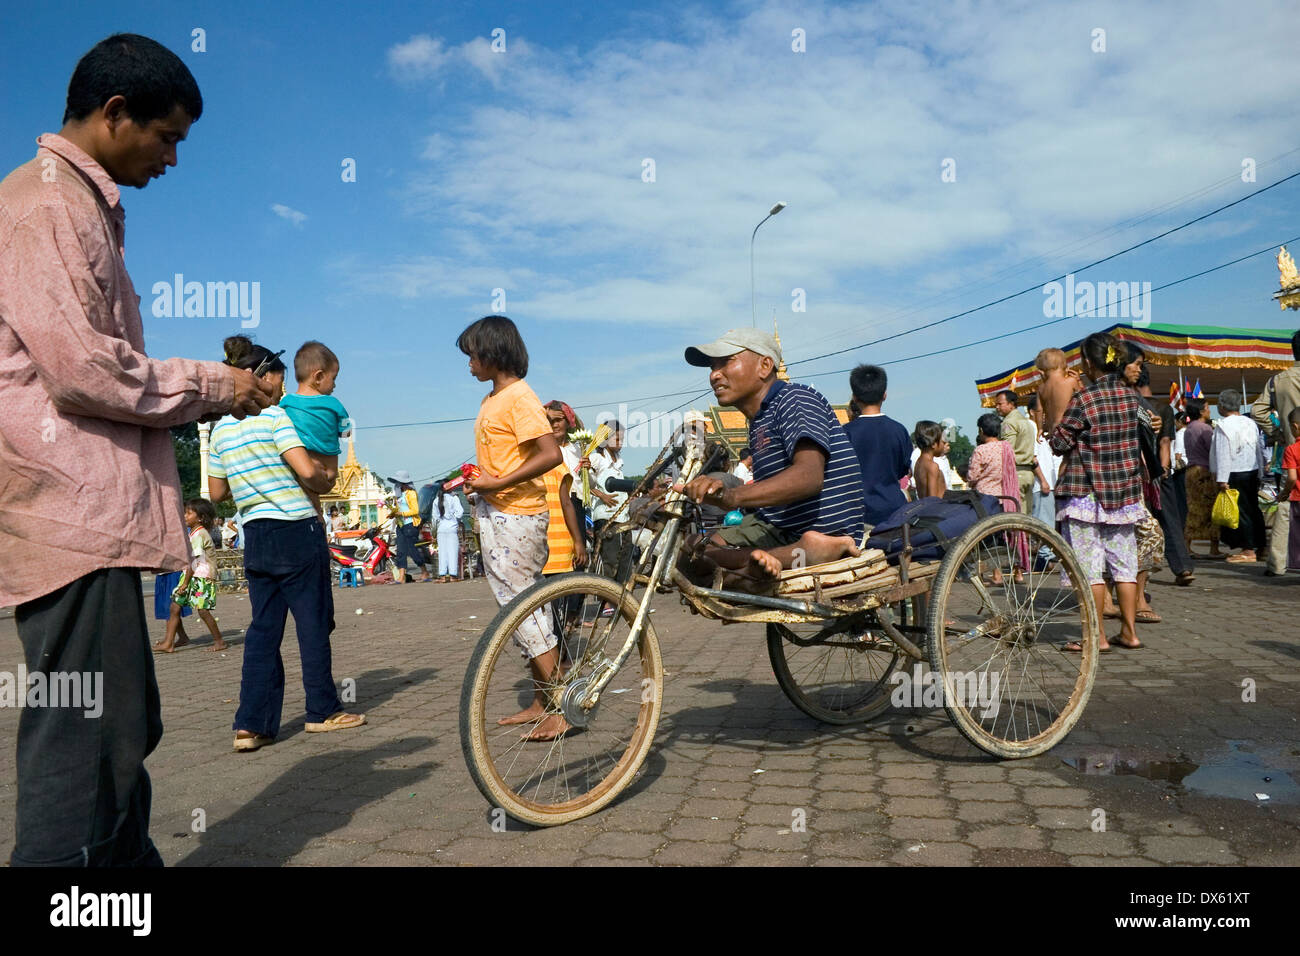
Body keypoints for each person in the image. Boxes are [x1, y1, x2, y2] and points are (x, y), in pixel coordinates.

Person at [0, 34, 276, 867]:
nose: (173, 158)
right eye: (168, 137)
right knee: (82, 751)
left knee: (121, 729)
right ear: (115, 114)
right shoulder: (48, 206)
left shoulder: (73, 205)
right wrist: (222, 387)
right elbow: (85, 371)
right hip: (70, 517)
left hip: (85, 518)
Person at [208, 337, 365, 751]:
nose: (282, 386)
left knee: (263, 630)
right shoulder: (276, 419)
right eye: (278, 377)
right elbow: (307, 472)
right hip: (296, 528)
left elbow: (216, 493)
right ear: (263, 377)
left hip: (255, 535)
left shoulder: (220, 430)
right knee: (312, 623)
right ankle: (322, 710)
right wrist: (323, 480)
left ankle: (251, 725)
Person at [674, 329, 865, 588]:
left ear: (765, 366)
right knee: (691, 552)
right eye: (712, 366)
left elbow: (809, 477)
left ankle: (804, 553)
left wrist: (731, 498)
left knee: (710, 564)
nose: (714, 374)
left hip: (817, 526)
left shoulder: (794, 399)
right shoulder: (760, 420)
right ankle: (765, 566)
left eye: (725, 362)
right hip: (779, 527)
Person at [458, 316, 568, 741]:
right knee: (522, 609)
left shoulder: (520, 397)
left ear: (493, 353)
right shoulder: (493, 399)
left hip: (518, 514)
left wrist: (498, 482)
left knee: (524, 609)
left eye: (473, 354)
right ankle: (543, 700)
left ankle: (561, 706)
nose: (469, 363)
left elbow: (550, 454)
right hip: (497, 510)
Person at [1049, 332, 1144, 651]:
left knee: (1090, 569)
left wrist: (1055, 427)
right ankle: (1130, 633)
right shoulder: (1132, 398)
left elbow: (1060, 443)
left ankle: (1097, 637)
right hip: (1124, 494)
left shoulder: (1084, 399)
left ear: (1089, 363)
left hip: (1085, 494)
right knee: (1124, 566)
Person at [278, 340, 348, 517]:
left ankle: (317, 517)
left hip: (301, 468)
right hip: (329, 471)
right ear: (318, 377)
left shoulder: (285, 404)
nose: (334, 385)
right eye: (334, 378)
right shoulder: (334, 404)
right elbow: (347, 432)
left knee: (310, 501)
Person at [1251, 329, 1300, 576]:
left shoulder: (1278, 380)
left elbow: (1258, 410)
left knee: (1285, 509)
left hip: (1292, 451)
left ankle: (1278, 563)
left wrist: (1280, 433)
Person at [154, 498, 227, 653]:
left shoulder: (199, 535)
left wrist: (185, 583)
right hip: (191, 575)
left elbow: (195, 561)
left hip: (202, 577)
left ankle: (219, 641)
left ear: (200, 517)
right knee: (174, 606)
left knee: (202, 610)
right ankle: (168, 642)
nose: (185, 516)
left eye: (188, 513)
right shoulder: (194, 533)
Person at [843, 363, 911, 528]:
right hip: (894, 511)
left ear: (854, 397)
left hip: (857, 513)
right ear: (885, 395)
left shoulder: (844, 433)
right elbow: (903, 470)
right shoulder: (899, 430)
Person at [966, 412, 1028, 584]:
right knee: (1011, 536)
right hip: (1008, 498)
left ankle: (997, 575)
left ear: (981, 430)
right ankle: (1018, 573)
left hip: (986, 500)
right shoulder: (1006, 448)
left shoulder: (980, 450)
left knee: (991, 539)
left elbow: (972, 476)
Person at [1210, 388, 1267, 564]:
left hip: (1234, 472)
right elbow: (1258, 449)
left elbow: (1222, 453)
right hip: (1252, 471)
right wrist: (1261, 472)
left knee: (1241, 512)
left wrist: (1221, 479)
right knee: (1253, 509)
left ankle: (1248, 549)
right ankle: (1261, 546)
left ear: (1221, 405)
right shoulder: (1250, 423)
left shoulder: (1223, 426)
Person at [541, 403, 589, 578]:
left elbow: (589, 484)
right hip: (554, 507)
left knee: (579, 557)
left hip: (574, 503)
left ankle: (573, 603)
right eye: (549, 421)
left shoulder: (577, 450)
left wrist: (587, 470)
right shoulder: (545, 452)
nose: (554, 424)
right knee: (556, 558)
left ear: (568, 422)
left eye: (558, 420)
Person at [587, 420, 632, 580]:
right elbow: (584, 482)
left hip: (623, 517)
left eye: (622, 439)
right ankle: (606, 603)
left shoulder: (617, 461)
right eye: (617, 439)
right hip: (606, 517)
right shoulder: (596, 459)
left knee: (625, 560)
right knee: (610, 560)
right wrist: (602, 496)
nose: (621, 443)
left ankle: (623, 599)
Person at [1181, 398, 1220, 557]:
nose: (1209, 410)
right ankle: (1214, 547)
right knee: (1211, 509)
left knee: (1193, 508)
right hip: (1204, 472)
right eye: (1207, 407)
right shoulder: (1205, 429)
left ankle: (1187, 544)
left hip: (1191, 471)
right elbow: (1214, 451)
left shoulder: (1189, 428)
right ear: (1201, 411)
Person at [995, 390, 1039, 514]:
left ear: (1011, 404)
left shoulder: (1009, 422)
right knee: (1027, 514)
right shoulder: (1027, 422)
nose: (997, 407)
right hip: (1028, 473)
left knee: (1017, 515)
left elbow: (1007, 450)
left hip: (1016, 472)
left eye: (1000, 404)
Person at [388, 470, 430, 583]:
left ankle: (424, 572)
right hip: (401, 525)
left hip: (411, 525)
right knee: (400, 551)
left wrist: (401, 514)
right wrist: (393, 514)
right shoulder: (399, 495)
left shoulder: (411, 493)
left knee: (413, 550)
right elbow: (399, 509)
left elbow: (415, 510)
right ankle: (401, 577)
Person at [1035, 346, 1082, 432]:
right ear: (1066, 367)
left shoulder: (1041, 388)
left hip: (1053, 431)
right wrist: (1079, 381)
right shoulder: (1071, 381)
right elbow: (1084, 397)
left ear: (1041, 372)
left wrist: (1040, 428)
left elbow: (1038, 410)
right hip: (1069, 428)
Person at [432, 483, 465, 582]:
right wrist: (454, 517)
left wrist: (433, 532)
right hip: (451, 528)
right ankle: (453, 575)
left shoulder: (436, 500)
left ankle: (442, 576)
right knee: (452, 552)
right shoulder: (454, 498)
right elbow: (460, 513)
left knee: (442, 552)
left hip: (441, 529)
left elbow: (434, 518)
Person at [1280, 407, 1300, 572]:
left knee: (1297, 536)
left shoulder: (1292, 450)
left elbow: (1292, 478)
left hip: (1298, 498)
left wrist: (1284, 492)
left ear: (1295, 426)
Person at [911, 421, 948, 499]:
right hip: (939, 509)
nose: (944, 445)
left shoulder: (918, 464)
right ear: (933, 444)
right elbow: (932, 500)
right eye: (943, 442)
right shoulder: (932, 466)